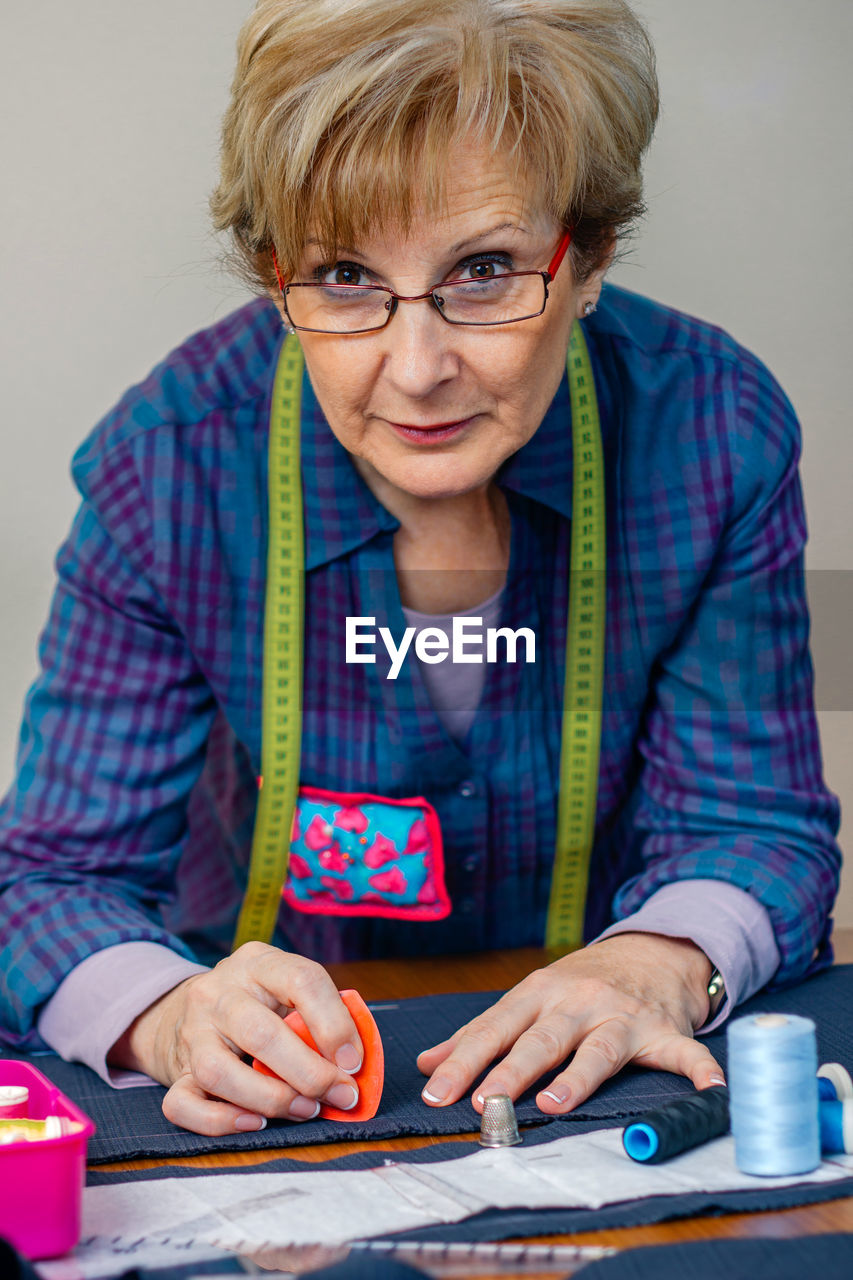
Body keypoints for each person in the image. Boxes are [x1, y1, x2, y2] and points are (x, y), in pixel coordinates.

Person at [0, 0, 841, 1137]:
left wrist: (655, 961)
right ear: (270, 274)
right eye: (344, 277)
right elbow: (50, 882)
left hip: (594, 1096)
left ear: (585, 254)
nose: (417, 366)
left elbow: (755, 821)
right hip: (276, 1119)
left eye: (485, 269)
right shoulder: (168, 467)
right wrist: (169, 1014)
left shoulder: (711, 432)